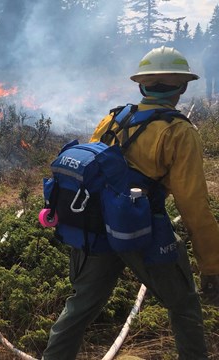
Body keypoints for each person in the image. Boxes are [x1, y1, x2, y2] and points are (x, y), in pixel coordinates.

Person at [42, 46, 219, 359]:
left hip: (97, 226)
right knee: (184, 306)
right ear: (183, 87)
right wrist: (212, 264)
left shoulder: (113, 119)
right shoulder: (178, 132)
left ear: (141, 86)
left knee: (80, 308)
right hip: (142, 230)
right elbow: (194, 206)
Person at [202, 34, 219, 102]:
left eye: (216, 40)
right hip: (209, 69)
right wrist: (205, 67)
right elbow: (203, 59)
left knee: (217, 83)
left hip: (217, 70)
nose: (214, 42)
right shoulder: (207, 49)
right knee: (209, 84)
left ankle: (216, 97)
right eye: (213, 40)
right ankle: (209, 97)